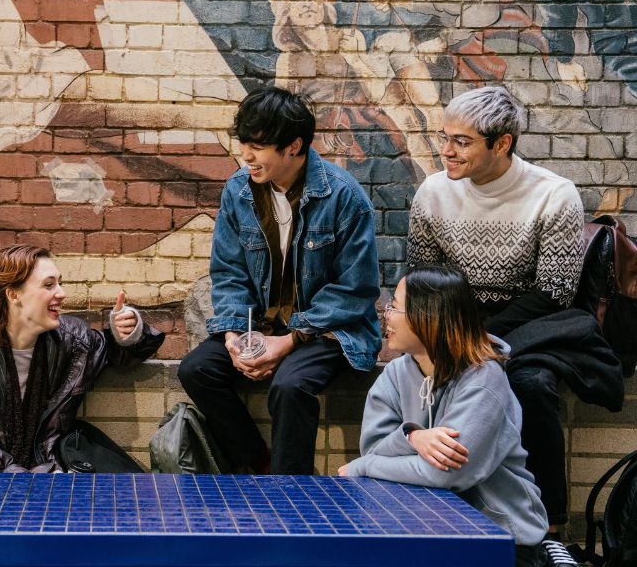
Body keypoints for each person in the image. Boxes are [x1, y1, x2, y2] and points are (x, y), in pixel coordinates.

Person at [406, 85, 623, 564]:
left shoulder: (553, 194)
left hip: (537, 323)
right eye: (445, 137)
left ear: (501, 143)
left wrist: (485, 338)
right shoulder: (434, 192)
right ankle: (439, 517)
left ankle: (549, 529)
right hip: (457, 320)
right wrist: (459, 336)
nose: (445, 150)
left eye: (461, 141)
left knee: (531, 385)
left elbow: (554, 291)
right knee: (423, 381)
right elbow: (422, 277)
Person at [178, 86, 381, 475]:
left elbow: (356, 290)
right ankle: (259, 467)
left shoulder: (343, 196)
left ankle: (292, 494)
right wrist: (235, 336)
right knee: (196, 369)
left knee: (290, 386)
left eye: (258, 146)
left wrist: (288, 341)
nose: (246, 156)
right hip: (263, 324)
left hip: (330, 330)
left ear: (294, 146)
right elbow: (229, 272)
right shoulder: (238, 190)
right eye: (244, 144)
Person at [338, 265, 549, 567]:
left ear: (428, 316)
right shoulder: (396, 374)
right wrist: (413, 436)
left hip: (501, 538)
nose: (386, 314)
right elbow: (373, 446)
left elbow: (447, 473)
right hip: (428, 530)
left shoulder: (484, 379)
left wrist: (364, 467)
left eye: (395, 307)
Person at [0, 244, 164, 472]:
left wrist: (127, 330)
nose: (61, 293)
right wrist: (25, 479)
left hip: (52, 472)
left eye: (60, 283)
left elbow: (121, 352)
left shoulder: (72, 339)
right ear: (13, 294)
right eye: (49, 285)